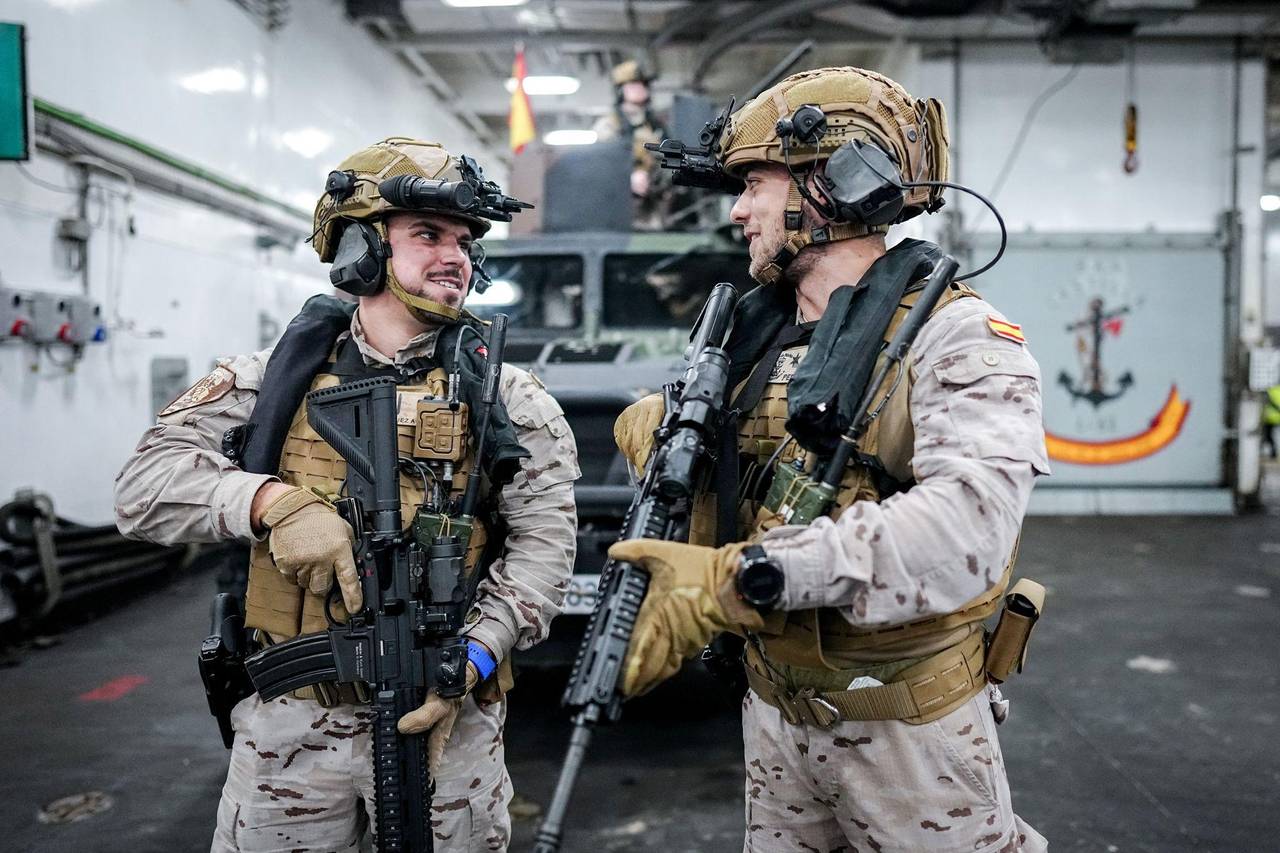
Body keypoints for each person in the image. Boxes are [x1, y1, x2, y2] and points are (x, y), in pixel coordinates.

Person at [610, 67, 1050, 851]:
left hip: (911, 740)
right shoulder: (751, 340)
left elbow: (968, 531)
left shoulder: (955, 336)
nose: (739, 210)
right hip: (775, 723)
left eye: (754, 185)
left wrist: (745, 576)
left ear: (834, 184)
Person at [114, 138, 579, 851]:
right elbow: (142, 490)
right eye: (428, 234)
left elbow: (544, 553)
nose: (456, 257)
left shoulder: (510, 400)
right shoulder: (269, 382)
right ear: (361, 247)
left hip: (447, 723)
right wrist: (273, 503)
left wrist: (474, 659)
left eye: (464, 241)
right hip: (290, 728)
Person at [593, 60, 669, 229]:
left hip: (653, 209)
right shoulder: (609, 125)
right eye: (634, 84)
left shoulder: (655, 126)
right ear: (620, 90)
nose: (641, 88)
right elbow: (600, 166)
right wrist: (627, 177)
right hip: (617, 210)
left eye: (644, 84)